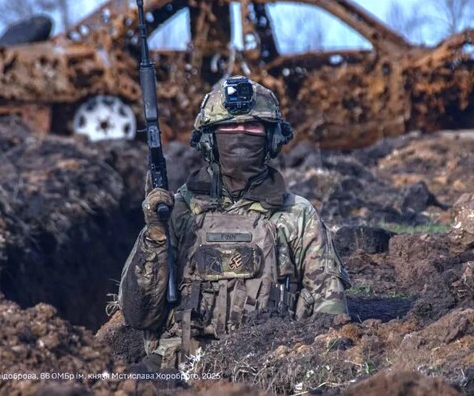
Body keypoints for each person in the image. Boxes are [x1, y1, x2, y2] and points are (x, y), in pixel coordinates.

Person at [118, 76, 350, 369]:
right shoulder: (176, 213)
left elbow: (330, 312)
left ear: (272, 139)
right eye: (228, 127)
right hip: (178, 373)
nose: (240, 134)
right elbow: (139, 315)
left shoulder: (297, 215)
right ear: (208, 140)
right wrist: (154, 235)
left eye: (251, 126)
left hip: (270, 369)